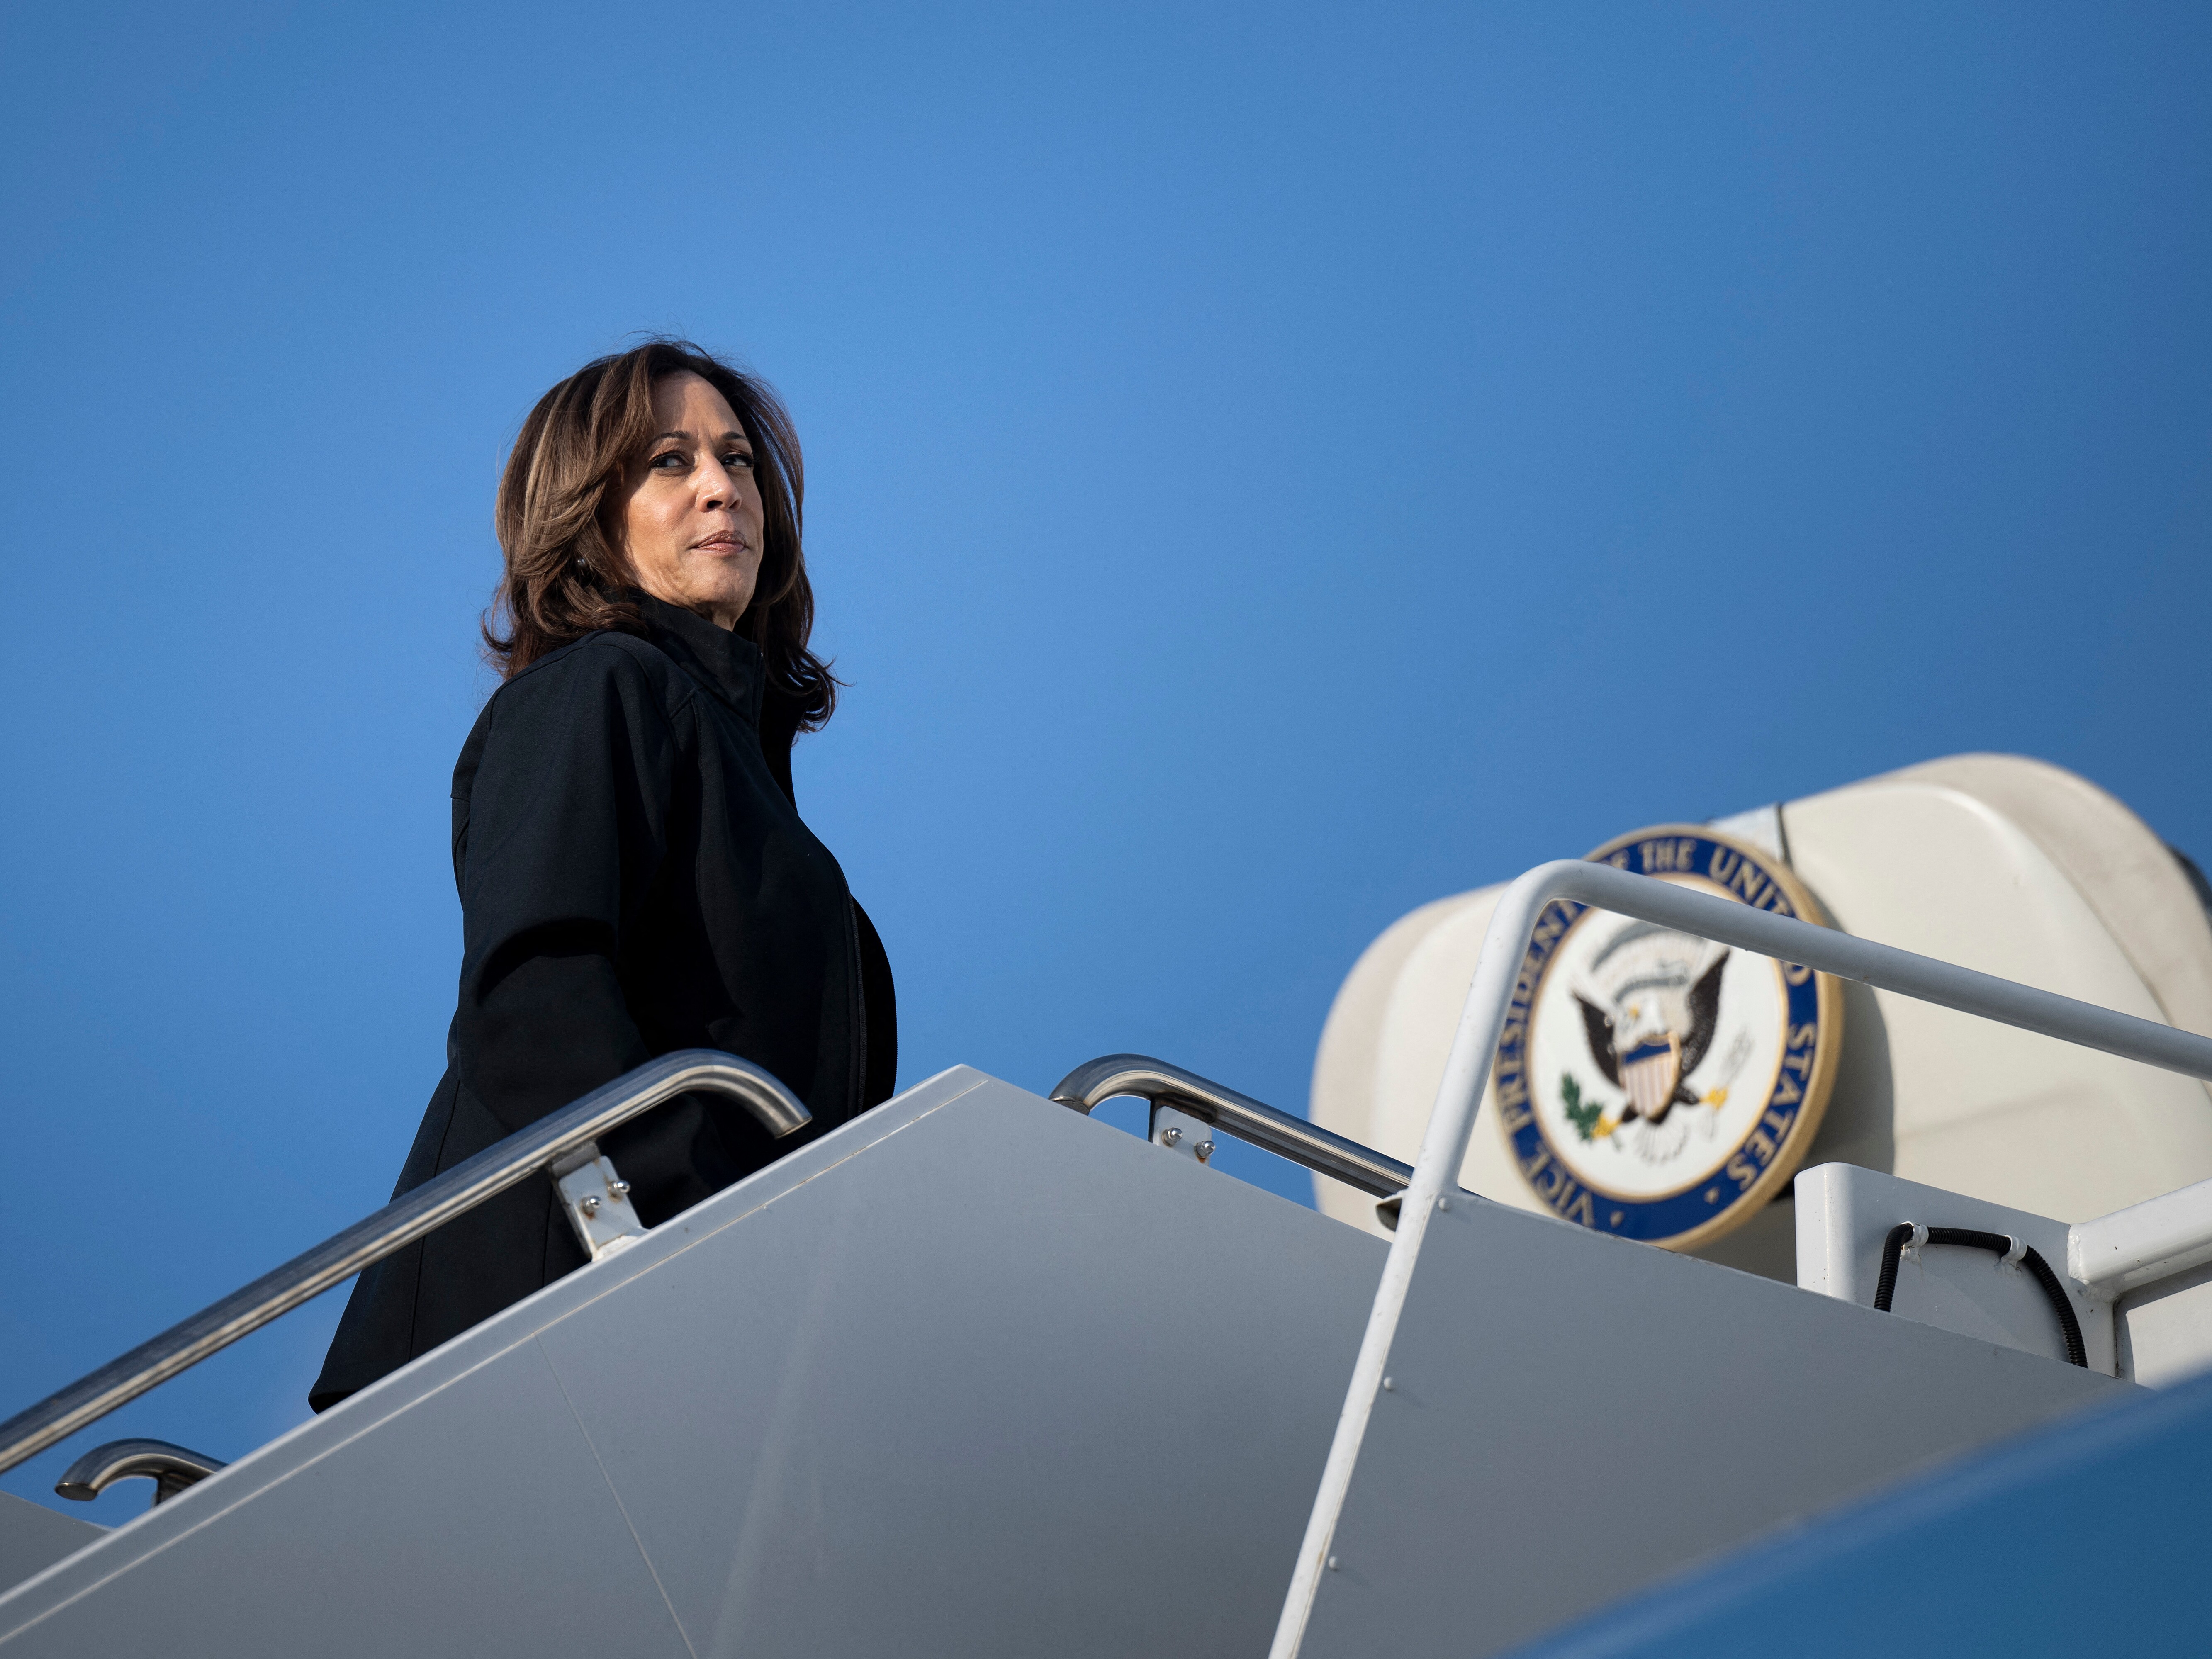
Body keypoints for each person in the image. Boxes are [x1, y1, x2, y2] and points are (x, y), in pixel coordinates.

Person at [309, 340, 895, 1411]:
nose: (723, 486)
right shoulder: (598, 688)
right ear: (591, 513)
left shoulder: (749, 786)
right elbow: (533, 993)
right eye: (669, 462)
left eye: (738, 460)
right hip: (536, 1338)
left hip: (713, 1330)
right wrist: (693, 1214)